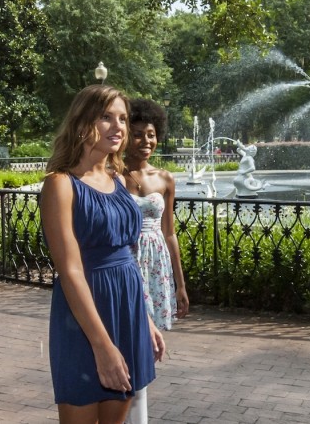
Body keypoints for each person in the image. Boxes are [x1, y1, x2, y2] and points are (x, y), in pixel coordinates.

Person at [41, 84, 165, 424]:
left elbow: (128, 256)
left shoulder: (119, 181)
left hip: (127, 310)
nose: (119, 126)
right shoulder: (60, 184)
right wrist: (102, 345)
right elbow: (70, 270)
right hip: (84, 319)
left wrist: (146, 318)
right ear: (83, 122)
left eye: (122, 118)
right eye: (106, 117)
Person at [121, 99, 188, 424]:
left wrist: (180, 284)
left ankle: (138, 414)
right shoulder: (113, 175)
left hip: (155, 263)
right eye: (137, 134)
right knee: (127, 338)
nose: (145, 141)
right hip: (126, 261)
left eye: (150, 134)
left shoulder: (164, 178)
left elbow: (170, 233)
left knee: (145, 346)